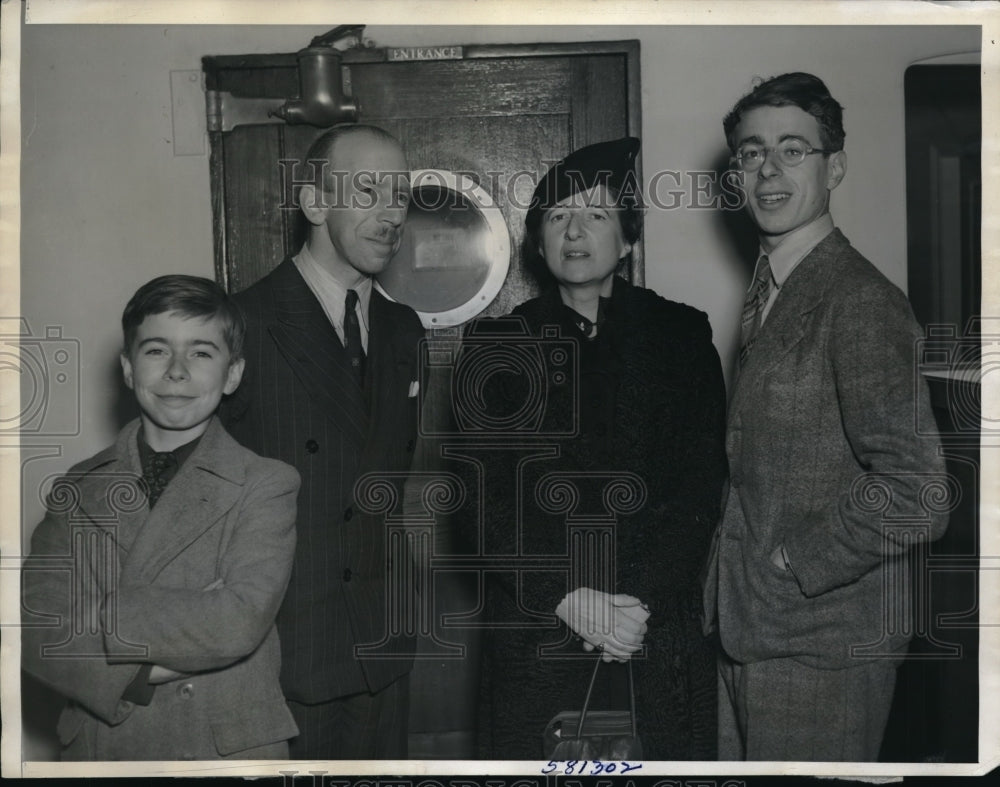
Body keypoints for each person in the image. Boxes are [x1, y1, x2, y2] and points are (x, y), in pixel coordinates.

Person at [700, 72, 948, 761]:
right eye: (752, 152)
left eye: (792, 150)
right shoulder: (773, 285)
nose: (768, 170)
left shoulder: (859, 299)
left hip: (822, 644)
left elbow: (918, 491)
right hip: (752, 630)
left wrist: (793, 560)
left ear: (833, 167)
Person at [463, 137, 727, 759]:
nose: (575, 231)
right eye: (558, 216)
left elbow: (698, 488)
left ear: (628, 239)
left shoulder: (683, 336)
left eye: (596, 214)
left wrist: (631, 608)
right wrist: (568, 596)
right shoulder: (498, 344)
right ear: (538, 241)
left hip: (650, 630)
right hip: (538, 629)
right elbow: (485, 500)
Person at [21, 275, 299, 761]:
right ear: (129, 369)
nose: (176, 371)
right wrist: (141, 671)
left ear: (232, 375)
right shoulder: (77, 488)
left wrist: (98, 616)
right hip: (103, 747)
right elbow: (36, 630)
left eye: (201, 353)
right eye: (156, 350)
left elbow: (237, 623)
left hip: (225, 750)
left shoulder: (265, 482)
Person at [222, 124, 423, 760]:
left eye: (400, 194)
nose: (392, 213)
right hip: (285, 653)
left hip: (382, 645)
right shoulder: (242, 323)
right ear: (314, 203)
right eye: (368, 191)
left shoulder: (403, 328)